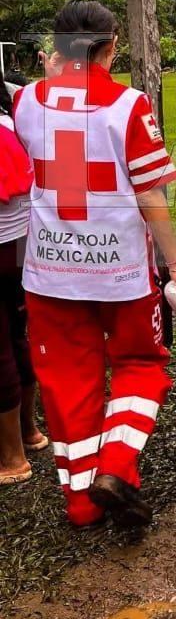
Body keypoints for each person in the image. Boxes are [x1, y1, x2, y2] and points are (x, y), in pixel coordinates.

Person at [13, 1, 176, 527]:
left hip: (48, 270)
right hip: (119, 273)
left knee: (66, 382)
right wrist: (174, 261)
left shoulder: (24, 102)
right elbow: (151, 195)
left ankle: (81, 503)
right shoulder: (128, 106)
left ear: (58, 47)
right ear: (113, 46)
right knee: (141, 365)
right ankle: (116, 465)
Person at [0, 78, 45, 484]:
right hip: (21, 244)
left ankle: (11, 458)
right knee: (19, 334)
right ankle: (30, 432)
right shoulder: (15, 116)